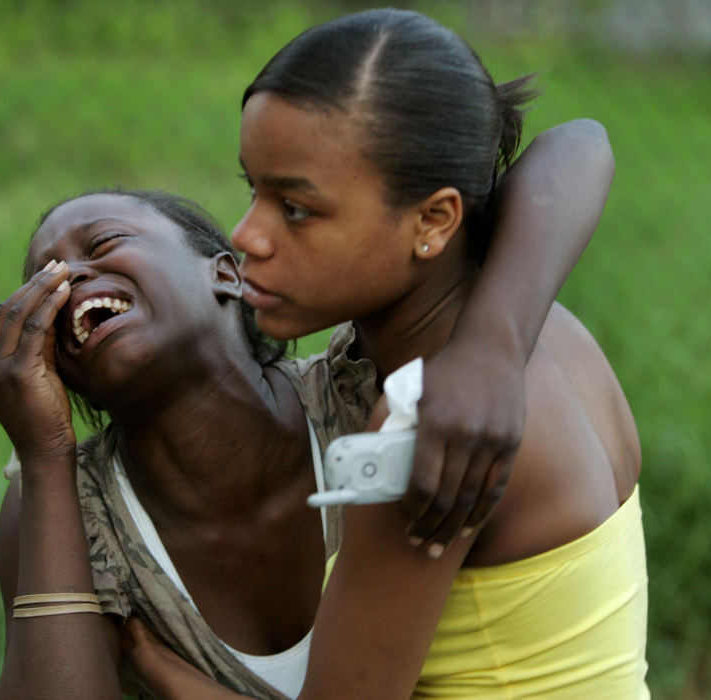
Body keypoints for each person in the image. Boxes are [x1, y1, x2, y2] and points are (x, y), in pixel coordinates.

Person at [119, 8, 647, 699]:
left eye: (298, 209)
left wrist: (150, 662)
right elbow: (578, 144)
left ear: (433, 221)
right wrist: (490, 346)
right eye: (255, 190)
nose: (246, 236)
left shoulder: (432, 440)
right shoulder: (537, 325)